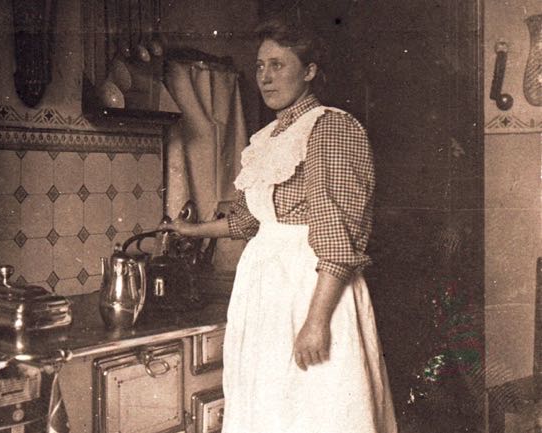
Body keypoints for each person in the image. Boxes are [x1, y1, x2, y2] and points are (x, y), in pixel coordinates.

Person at [159, 17, 398, 433]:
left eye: (277, 65)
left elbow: (338, 238)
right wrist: (191, 231)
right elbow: (249, 221)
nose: (265, 77)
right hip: (267, 294)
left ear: (309, 71)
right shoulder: (268, 138)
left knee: (318, 410)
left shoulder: (330, 127)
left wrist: (317, 321)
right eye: (259, 66)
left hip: (312, 290)